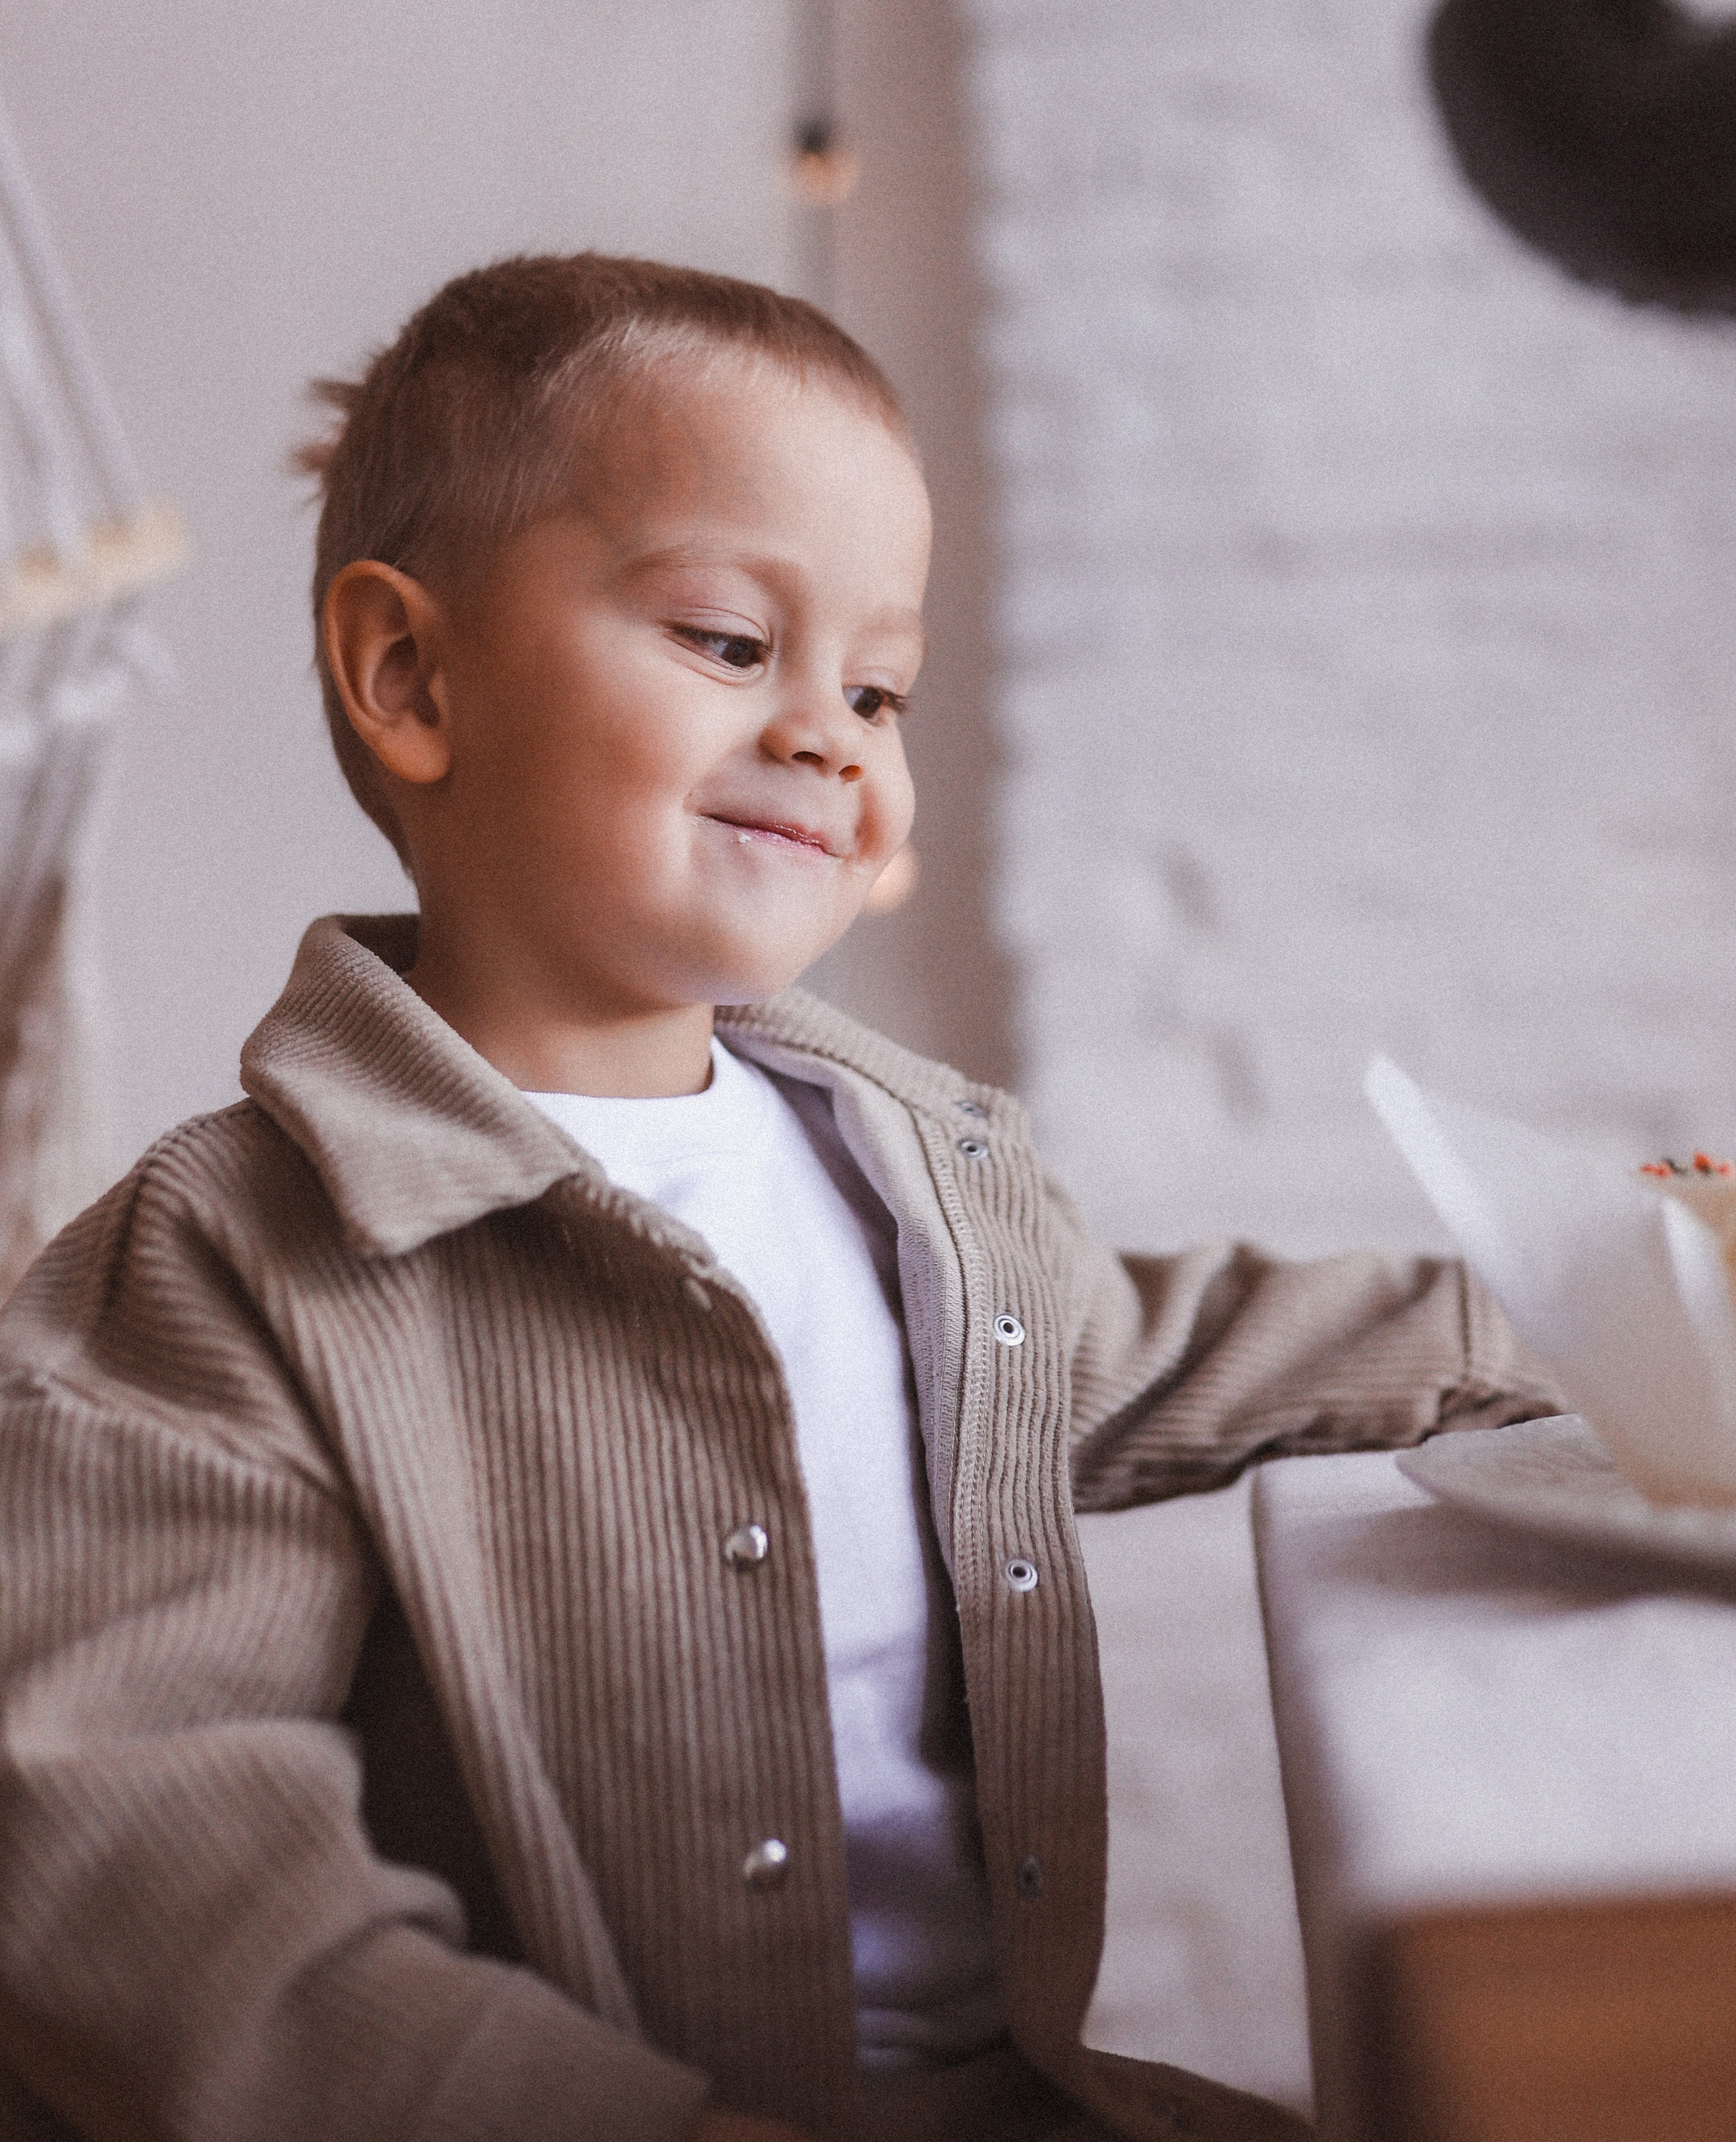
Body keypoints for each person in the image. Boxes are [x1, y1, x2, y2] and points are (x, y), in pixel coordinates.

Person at [0, 256, 1557, 2142]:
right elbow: (142, 1871)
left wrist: (1641, 1301)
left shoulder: (903, 1176)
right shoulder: (222, 1278)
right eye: (732, 644)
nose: (830, 730)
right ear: (410, 674)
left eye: (879, 685)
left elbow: (1177, 1346)